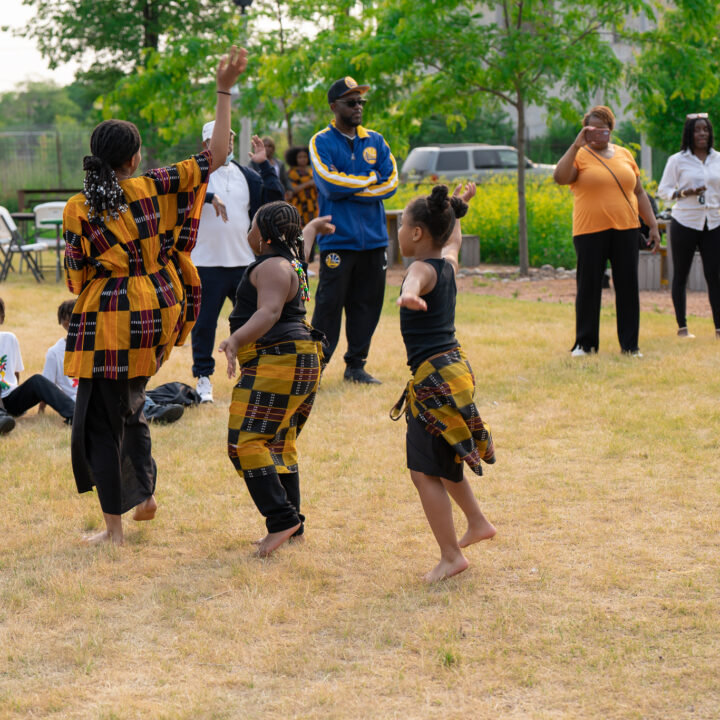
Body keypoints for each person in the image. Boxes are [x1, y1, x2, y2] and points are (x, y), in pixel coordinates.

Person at [62, 45, 248, 545]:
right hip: (159, 312)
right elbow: (218, 155)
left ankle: (114, 531)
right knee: (133, 403)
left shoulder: (78, 208)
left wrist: (91, 296)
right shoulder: (153, 185)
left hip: (108, 321)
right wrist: (223, 88)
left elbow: (75, 275)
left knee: (102, 425)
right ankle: (143, 496)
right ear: (135, 156)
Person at [391, 183, 496, 583]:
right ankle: (477, 522)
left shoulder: (418, 270)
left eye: (402, 224)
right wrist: (458, 208)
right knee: (445, 457)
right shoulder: (448, 263)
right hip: (455, 369)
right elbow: (454, 240)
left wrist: (409, 296)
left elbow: (413, 281)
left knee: (423, 472)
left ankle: (451, 556)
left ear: (417, 232)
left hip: (434, 377)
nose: (399, 230)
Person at [219, 204, 331, 557]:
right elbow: (305, 244)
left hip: (278, 357)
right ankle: (293, 523)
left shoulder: (271, 267)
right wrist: (310, 226)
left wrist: (236, 340)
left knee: (247, 441)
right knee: (278, 441)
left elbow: (269, 311)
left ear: (264, 236)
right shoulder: (292, 261)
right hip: (300, 357)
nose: (248, 231)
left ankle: (281, 519)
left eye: (251, 225)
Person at [309, 76, 399, 384]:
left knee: (368, 304)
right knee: (328, 305)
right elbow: (329, 183)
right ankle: (315, 366)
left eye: (360, 101)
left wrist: (355, 183)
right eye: (351, 102)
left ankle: (356, 365)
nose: (358, 107)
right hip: (338, 240)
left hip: (374, 241)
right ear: (334, 107)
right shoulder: (321, 141)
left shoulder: (376, 140)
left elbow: (391, 184)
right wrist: (368, 179)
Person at [553, 105, 661, 356]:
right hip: (589, 230)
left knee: (628, 287)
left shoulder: (624, 155)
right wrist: (575, 145)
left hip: (626, 228)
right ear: (585, 130)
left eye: (603, 129)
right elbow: (560, 177)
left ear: (610, 130)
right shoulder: (579, 155)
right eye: (591, 129)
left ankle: (630, 346)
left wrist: (653, 225)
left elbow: (639, 192)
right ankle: (585, 344)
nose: (598, 134)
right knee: (589, 286)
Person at [191, 124, 285, 404]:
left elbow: (275, 200)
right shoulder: (196, 174)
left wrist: (264, 165)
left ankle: (254, 372)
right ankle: (204, 379)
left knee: (251, 321)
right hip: (206, 264)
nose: (227, 143)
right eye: (219, 138)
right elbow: (178, 197)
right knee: (204, 324)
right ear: (207, 142)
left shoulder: (248, 175)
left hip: (244, 264)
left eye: (229, 138)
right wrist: (209, 197)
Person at [42, 300, 185, 424]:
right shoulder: (55, 353)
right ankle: (150, 411)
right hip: (82, 401)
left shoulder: (98, 344)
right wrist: (41, 411)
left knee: (129, 390)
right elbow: (46, 385)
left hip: (106, 392)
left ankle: (153, 408)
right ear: (66, 324)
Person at [657, 113, 720, 339]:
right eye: (697, 130)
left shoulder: (718, 159)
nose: (702, 133)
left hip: (713, 223)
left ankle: (719, 328)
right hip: (685, 222)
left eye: (705, 129)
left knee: (715, 275)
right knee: (681, 275)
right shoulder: (677, 160)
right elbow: (663, 192)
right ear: (689, 134)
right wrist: (686, 192)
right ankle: (682, 327)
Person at [0, 296, 75, 433]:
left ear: (2, 317)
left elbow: (16, 376)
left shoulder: (10, 339)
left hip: (9, 400)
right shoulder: (55, 351)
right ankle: (1, 419)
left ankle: (74, 415)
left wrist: (19, 397)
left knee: (37, 381)